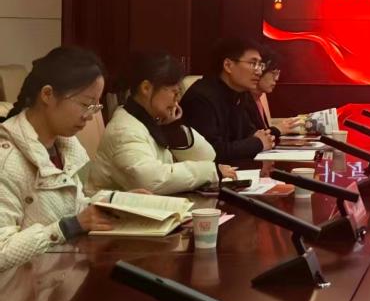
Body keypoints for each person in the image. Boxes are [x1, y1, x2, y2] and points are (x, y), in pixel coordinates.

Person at [0, 47, 120, 271]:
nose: (90, 116)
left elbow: (74, 205)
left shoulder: (67, 148)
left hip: (60, 277)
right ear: (47, 94)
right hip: (18, 290)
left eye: (95, 106)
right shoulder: (6, 160)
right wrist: (67, 228)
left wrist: (120, 203)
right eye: (85, 104)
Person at [89, 53, 237, 195]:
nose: (177, 100)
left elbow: (209, 157)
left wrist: (174, 129)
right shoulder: (124, 129)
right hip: (110, 210)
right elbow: (150, 181)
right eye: (174, 92)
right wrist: (210, 171)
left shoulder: (152, 119)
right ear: (146, 88)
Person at [180, 38, 275, 164]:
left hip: (237, 169)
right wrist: (257, 143)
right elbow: (212, 152)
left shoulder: (240, 93)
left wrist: (259, 140)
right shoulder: (201, 98)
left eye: (260, 65)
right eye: (253, 64)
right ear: (228, 65)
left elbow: (252, 134)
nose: (259, 71)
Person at [243, 48, 304, 136]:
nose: (276, 78)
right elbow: (253, 136)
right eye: (273, 73)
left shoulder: (257, 98)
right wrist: (277, 130)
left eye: (278, 73)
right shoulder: (242, 100)